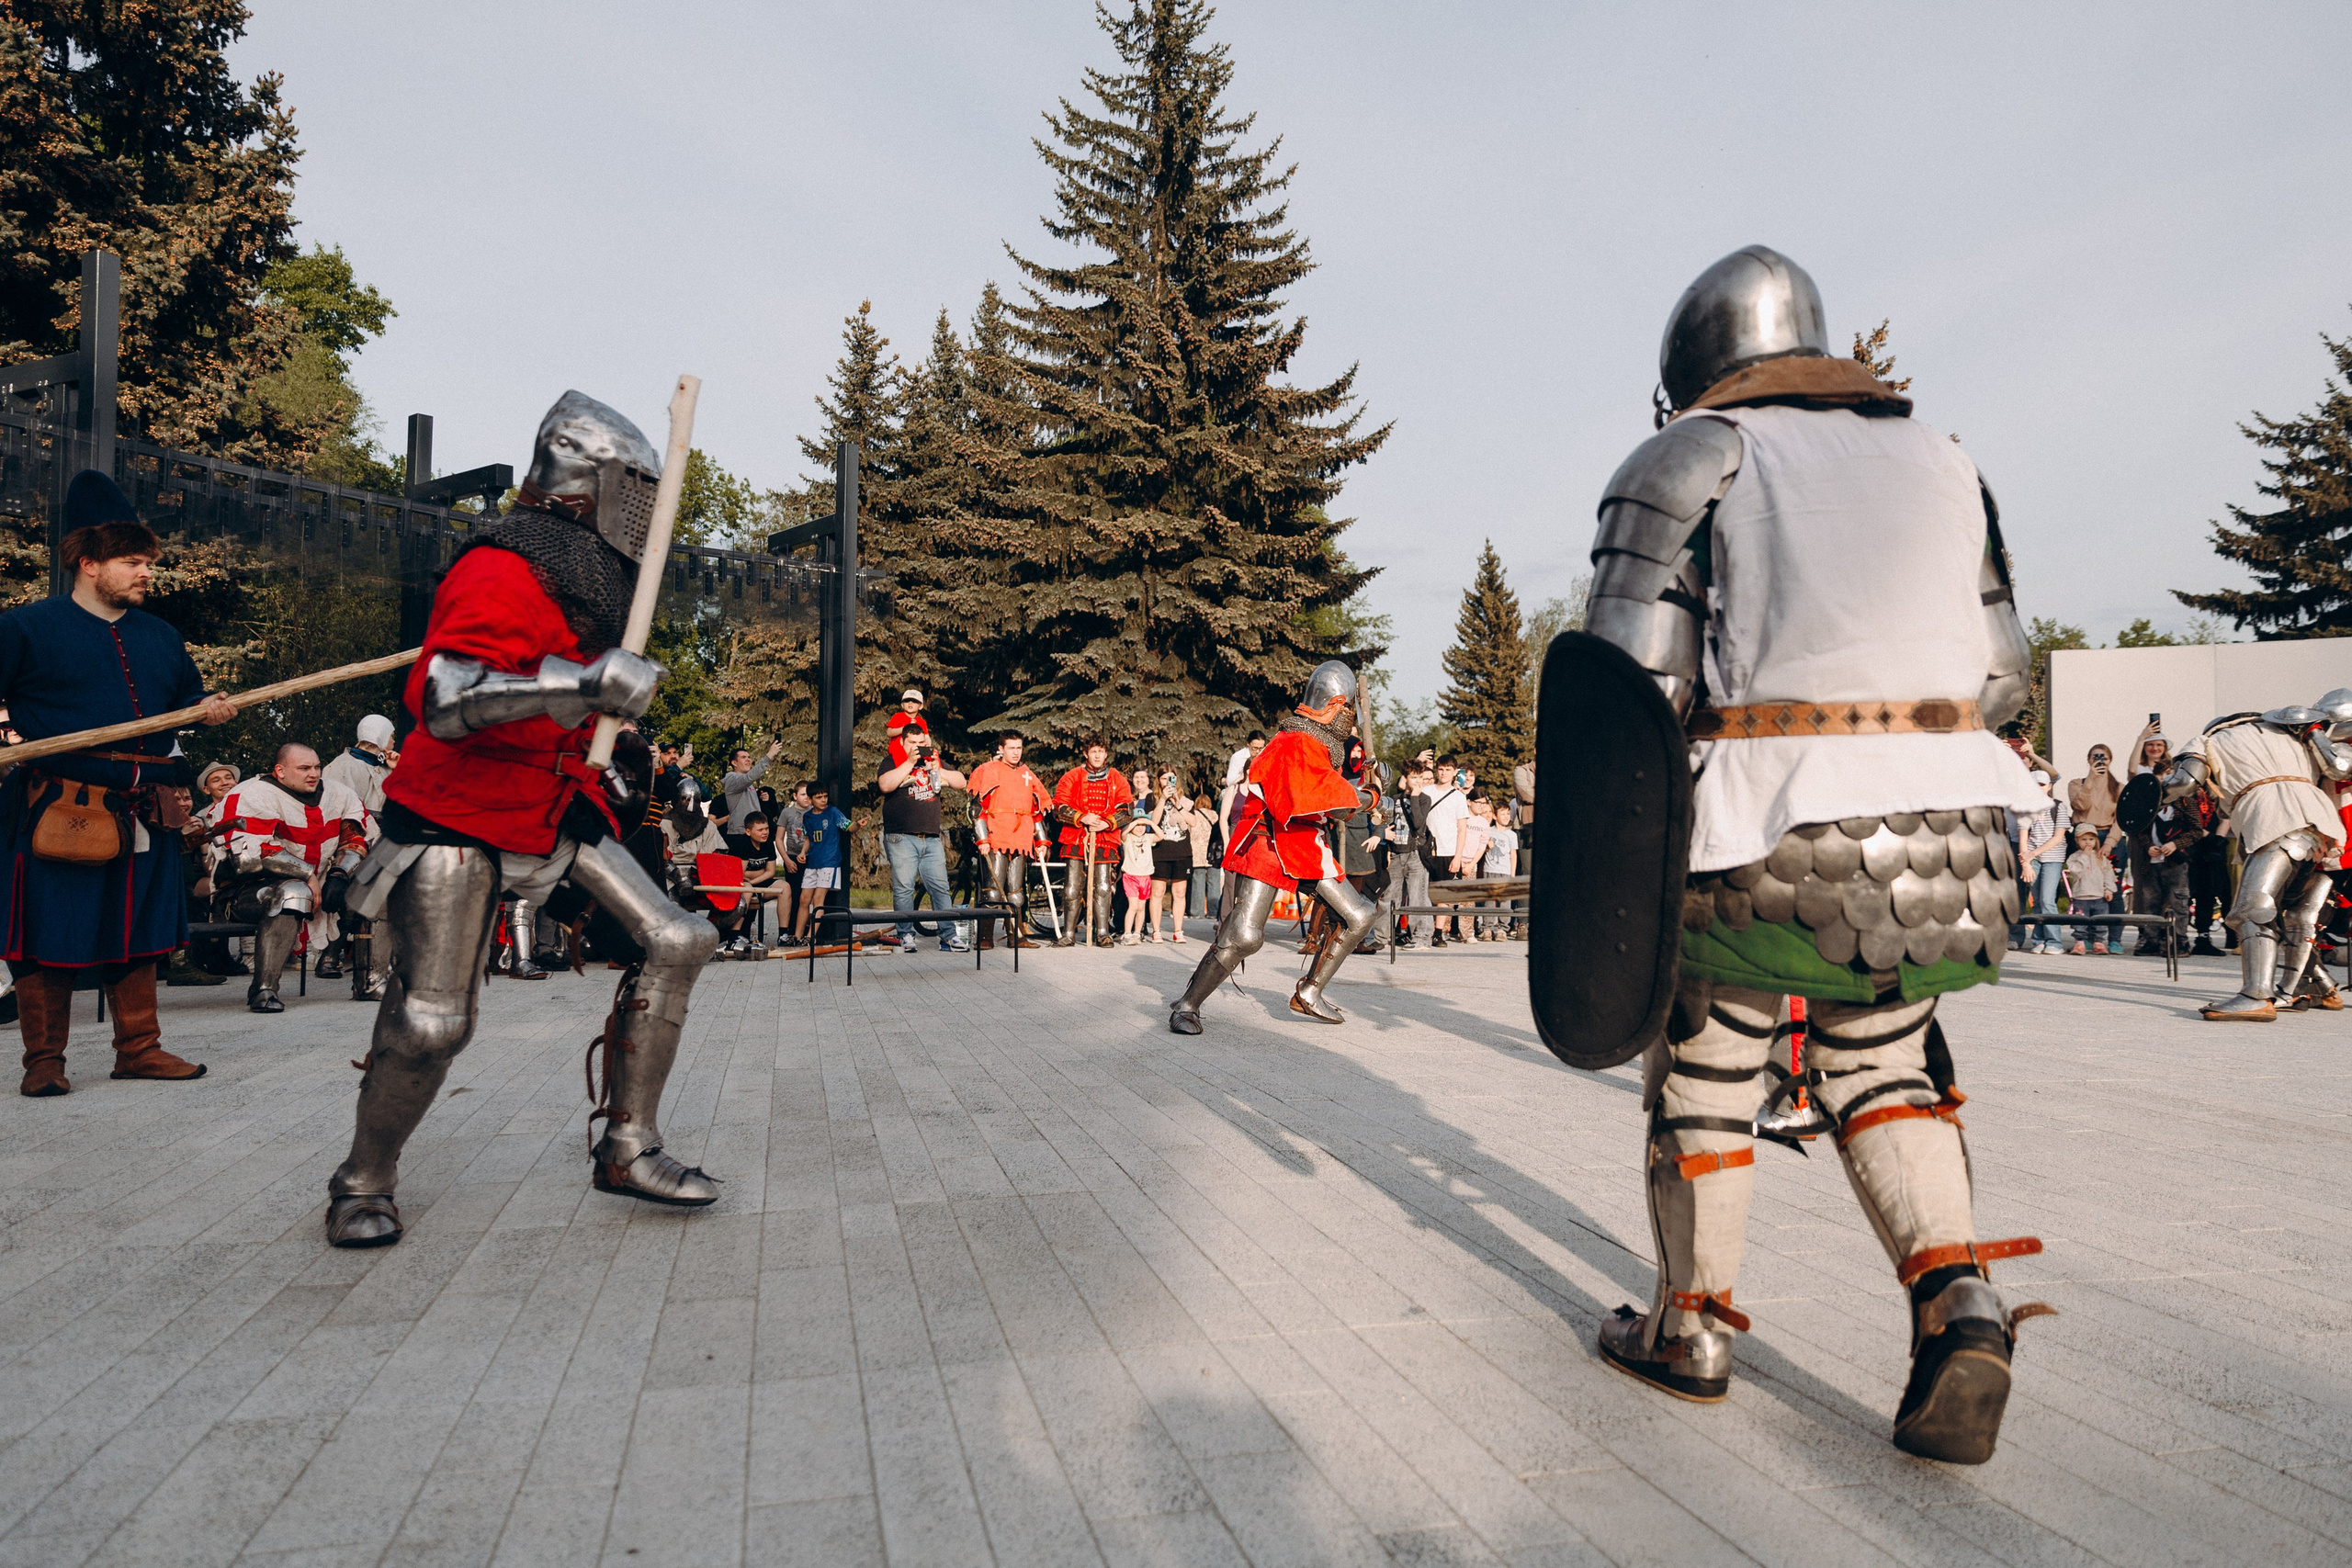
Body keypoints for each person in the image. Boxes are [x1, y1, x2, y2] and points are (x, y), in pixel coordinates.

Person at [1573, 247, 2047, 1463]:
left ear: (1691, 370)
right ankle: (1959, 1302)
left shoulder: (1696, 455)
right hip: (1961, 836)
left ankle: (1692, 1325)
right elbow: (2003, 672)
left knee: (1711, 1053)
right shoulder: (1945, 457)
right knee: (1884, 1061)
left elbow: (1633, 680)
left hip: (1775, 824)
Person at [322, 390, 724, 1248]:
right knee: (435, 1020)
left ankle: (628, 1144)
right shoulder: (502, 565)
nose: (647, 512)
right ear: (591, 484)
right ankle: (364, 1178)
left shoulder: (585, 578)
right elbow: (442, 699)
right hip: (457, 807)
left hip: (551, 802)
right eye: (637, 490)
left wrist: (602, 720)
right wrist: (580, 685)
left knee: (679, 937)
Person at [0, 473, 237, 1095]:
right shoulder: (25, 628)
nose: (145, 573)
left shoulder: (160, 636)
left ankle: (139, 1048)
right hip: (59, 804)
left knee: (139, 930)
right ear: (88, 563)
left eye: (146, 563)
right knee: (48, 932)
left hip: (146, 808)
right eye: (132, 562)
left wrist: (207, 717)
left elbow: (187, 710)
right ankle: (44, 1063)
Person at [1170, 662, 1375, 1032]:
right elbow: (1328, 800)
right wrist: (1371, 798)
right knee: (1245, 936)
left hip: (1302, 843)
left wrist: (1363, 786)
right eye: (1348, 712)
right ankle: (1187, 1005)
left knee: (1359, 915)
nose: (1350, 721)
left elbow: (1328, 790)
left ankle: (1309, 992)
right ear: (1335, 705)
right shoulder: (1293, 743)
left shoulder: (1314, 743)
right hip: (1267, 842)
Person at [2160, 691, 2352, 1019]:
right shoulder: (2296, 732)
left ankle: (2256, 994)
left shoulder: (2208, 739)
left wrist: (2152, 799)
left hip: (2273, 818)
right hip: (2324, 826)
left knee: (2254, 907)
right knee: (2296, 914)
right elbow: (2337, 768)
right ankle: (2315, 984)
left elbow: (2184, 782)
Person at [216, 742, 371, 1010]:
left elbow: (355, 836)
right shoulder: (251, 794)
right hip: (245, 894)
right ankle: (264, 991)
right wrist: (307, 874)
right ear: (280, 771)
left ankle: (372, 982)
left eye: (317, 766)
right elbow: (249, 856)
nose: (314, 773)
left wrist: (339, 874)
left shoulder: (338, 793)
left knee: (377, 888)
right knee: (293, 892)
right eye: (304, 768)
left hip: (318, 884)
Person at [317, 713, 398, 989]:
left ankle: (379, 958)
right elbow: (335, 805)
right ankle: (330, 955)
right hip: (351, 839)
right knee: (350, 895)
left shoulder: (386, 766)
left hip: (384, 839)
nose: (394, 740)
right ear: (379, 734)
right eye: (391, 734)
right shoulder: (341, 766)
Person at [877, 713, 969, 953]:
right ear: (904, 743)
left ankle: (948, 936)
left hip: (930, 836)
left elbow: (961, 781)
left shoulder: (933, 761)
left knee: (940, 887)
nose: (918, 748)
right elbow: (885, 785)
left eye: (921, 744)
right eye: (913, 744)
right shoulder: (893, 760)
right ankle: (905, 935)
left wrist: (937, 768)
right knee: (904, 887)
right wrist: (909, 762)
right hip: (901, 836)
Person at [967, 733, 1051, 950]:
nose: (1016, 752)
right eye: (1011, 748)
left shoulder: (1027, 774)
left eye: (1019, 748)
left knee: (1016, 892)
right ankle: (985, 937)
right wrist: (982, 838)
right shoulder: (989, 770)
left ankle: (1017, 936)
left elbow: (1036, 811)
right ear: (1001, 749)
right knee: (992, 891)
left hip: (1021, 837)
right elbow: (977, 809)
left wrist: (1041, 841)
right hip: (996, 835)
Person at [1051, 739, 1134, 947]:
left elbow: (1126, 809)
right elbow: (1059, 805)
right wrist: (1082, 818)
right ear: (1086, 754)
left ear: (1106, 754)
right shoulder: (1072, 776)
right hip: (1076, 835)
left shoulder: (1117, 779)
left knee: (1104, 887)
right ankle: (1068, 932)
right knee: (1071, 887)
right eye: (1093, 751)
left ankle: (1103, 933)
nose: (1097, 756)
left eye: (1101, 752)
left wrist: (1107, 823)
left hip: (1105, 838)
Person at [793, 784, 862, 947]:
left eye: (825, 796)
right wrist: (803, 852)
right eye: (819, 797)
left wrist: (858, 825)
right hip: (812, 863)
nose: (823, 800)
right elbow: (808, 838)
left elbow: (849, 826)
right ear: (810, 799)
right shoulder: (808, 817)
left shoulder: (833, 812)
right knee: (804, 900)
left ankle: (810, 938)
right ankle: (797, 937)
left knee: (818, 900)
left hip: (829, 863)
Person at [2015, 770, 2070, 954]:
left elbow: (2058, 837)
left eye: (2042, 784)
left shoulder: (2058, 806)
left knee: (2048, 899)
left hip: (2052, 857)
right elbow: (2023, 837)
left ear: (2049, 786)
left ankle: (2055, 941)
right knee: (2036, 900)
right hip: (2032, 858)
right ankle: (2039, 940)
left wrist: (2033, 854)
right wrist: (2026, 863)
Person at [1151, 778, 1205, 942]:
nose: (1168, 782)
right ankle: (1156, 931)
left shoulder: (1186, 799)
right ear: (1158, 781)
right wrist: (1162, 800)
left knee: (1180, 893)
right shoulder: (1152, 799)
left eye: (1171, 778)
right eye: (1164, 778)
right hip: (1160, 851)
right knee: (1157, 892)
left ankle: (1178, 930)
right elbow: (1153, 822)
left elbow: (1193, 822)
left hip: (1181, 851)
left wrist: (1178, 804)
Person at [2061, 825, 2118, 955]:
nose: (2088, 842)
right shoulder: (2074, 857)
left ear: (2096, 840)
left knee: (2100, 921)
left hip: (2099, 896)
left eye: (2091, 839)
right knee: (2080, 921)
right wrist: (2084, 857)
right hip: (2081, 896)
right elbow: (2076, 872)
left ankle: (2098, 942)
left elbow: (2108, 874)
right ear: (2077, 841)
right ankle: (2080, 942)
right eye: (2084, 839)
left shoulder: (2100, 857)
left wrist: (2109, 890)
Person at [721, 738, 783, 835]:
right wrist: (770, 755)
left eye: (749, 757)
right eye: (743, 757)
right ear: (734, 763)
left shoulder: (747, 782)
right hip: (740, 833)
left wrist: (762, 800)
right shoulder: (731, 778)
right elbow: (750, 777)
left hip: (754, 832)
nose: (748, 760)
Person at [1482, 796, 1521, 939]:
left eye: (1507, 813)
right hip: (1490, 870)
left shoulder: (1511, 835)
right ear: (1494, 816)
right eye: (1502, 813)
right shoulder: (1488, 831)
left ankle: (1503, 928)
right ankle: (1487, 927)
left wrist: (1512, 874)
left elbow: (1513, 855)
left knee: (1505, 902)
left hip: (1505, 871)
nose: (1506, 816)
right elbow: (1481, 850)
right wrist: (1487, 847)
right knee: (1489, 900)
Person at [1118, 810, 1157, 942]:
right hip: (1131, 876)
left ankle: (1137, 932)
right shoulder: (1128, 838)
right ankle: (1127, 932)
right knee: (1133, 906)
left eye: (1142, 825)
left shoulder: (1148, 838)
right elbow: (1123, 833)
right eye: (1137, 825)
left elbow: (1161, 835)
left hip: (1145, 876)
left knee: (1141, 908)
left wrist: (1149, 822)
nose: (1140, 828)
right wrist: (1134, 822)